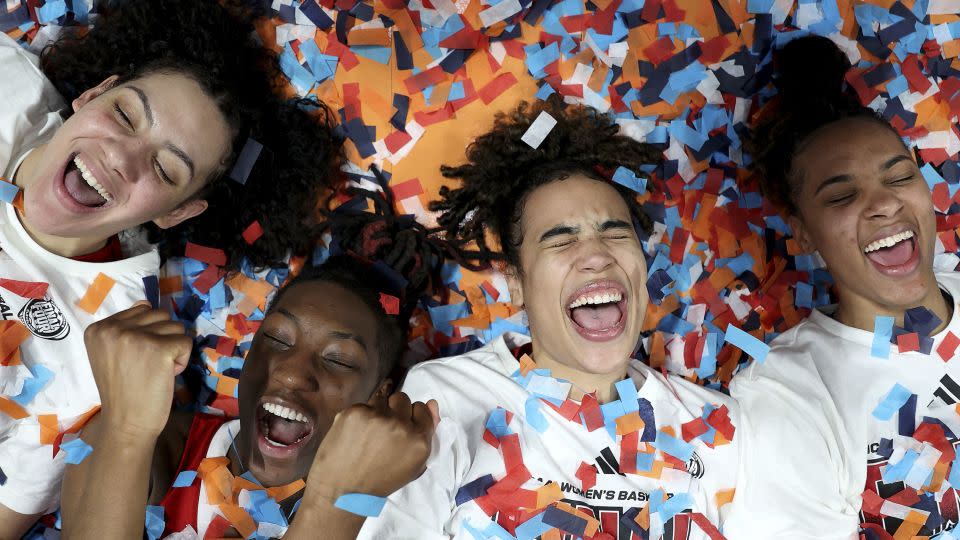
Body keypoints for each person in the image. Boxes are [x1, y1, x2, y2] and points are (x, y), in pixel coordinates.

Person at [0, 0, 342, 534]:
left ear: (176, 211)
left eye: (164, 168)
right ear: (92, 95)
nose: (122, 157)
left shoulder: (102, 350)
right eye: (124, 115)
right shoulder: (5, 86)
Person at [357, 97, 749, 539]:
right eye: (560, 240)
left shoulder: (723, 429)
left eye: (615, 232)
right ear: (517, 283)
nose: (596, 256)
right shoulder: (442, 399)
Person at [61, 178, 442, 539]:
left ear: (379, 395)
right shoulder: (152, 441)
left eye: (339, 360)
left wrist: (339, 502)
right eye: (276, 338)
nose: (292, 372)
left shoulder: (402, 510)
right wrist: (127, 431)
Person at [733, 34, 959, 537]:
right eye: (841, 196)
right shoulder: (788, 390)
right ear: (804, 232)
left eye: (898, 178)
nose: (883, 205)